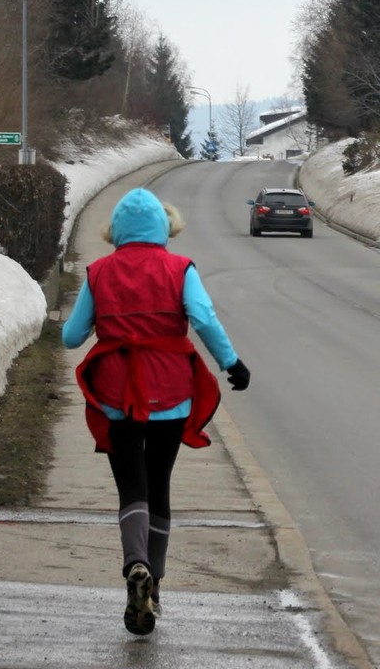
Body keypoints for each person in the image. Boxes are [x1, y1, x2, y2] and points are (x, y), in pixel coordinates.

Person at [62, 187, 250, 636]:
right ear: (164, 228)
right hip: (170, 392)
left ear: (117, 230)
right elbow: (203, 318)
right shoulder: (180, 268)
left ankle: (135, 563)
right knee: (159, 483)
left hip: (116, 394)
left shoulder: (99, 272)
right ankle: (155, 584)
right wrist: (231, 363)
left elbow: (71, 336)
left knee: (132, 487)